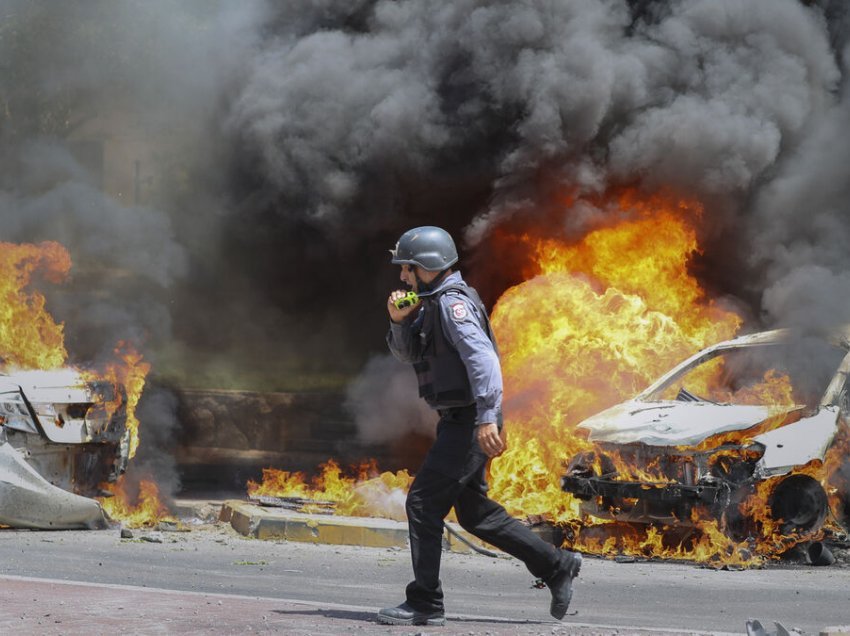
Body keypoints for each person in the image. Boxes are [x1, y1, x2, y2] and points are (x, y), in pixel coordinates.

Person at [377, 226, 582, 627]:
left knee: (422, 504)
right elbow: (410, 354)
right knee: (475, 515)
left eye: (408, 268)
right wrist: (399, 321)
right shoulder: (431, 301)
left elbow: (484, 361)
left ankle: (425, 603)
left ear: (427, 267)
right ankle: (556, 566)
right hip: (459, 419)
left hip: (471, 420)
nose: (403, 277)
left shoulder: (453, 305)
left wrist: (488, 417)